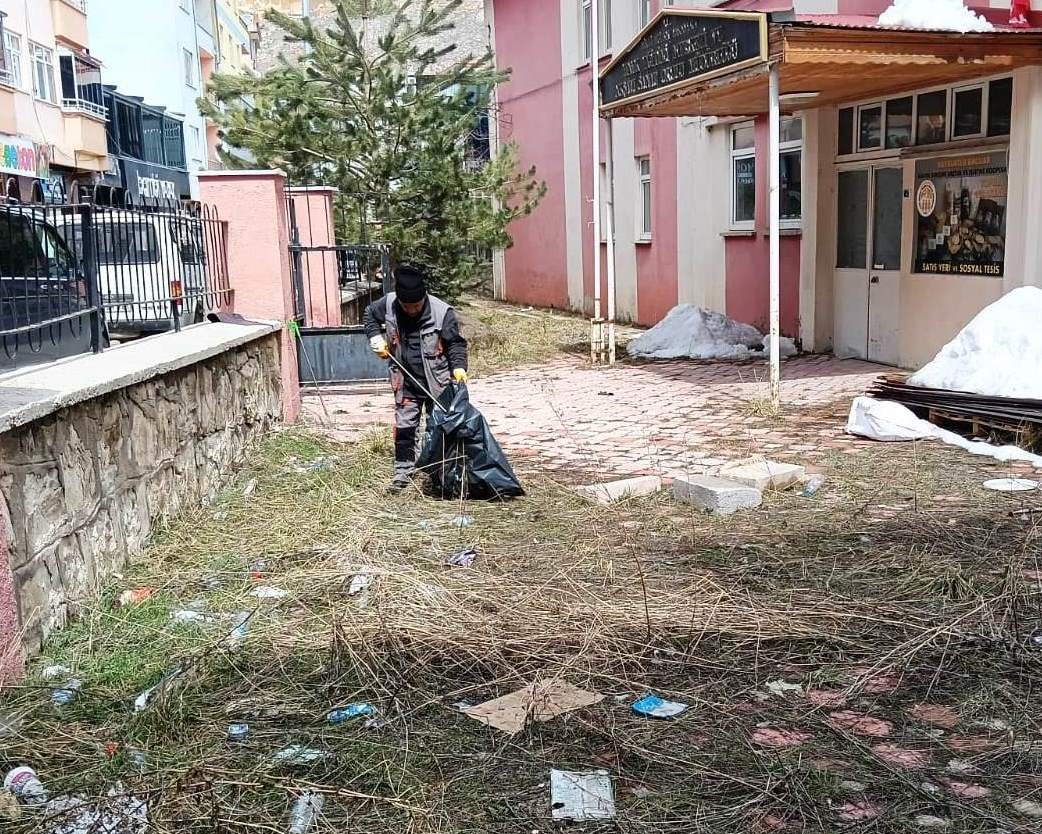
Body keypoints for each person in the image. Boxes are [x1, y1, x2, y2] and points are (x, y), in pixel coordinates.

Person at [363, 265, 469, 492]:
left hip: (437, 382)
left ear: (424, 297)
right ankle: (403, 473)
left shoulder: (442, 312)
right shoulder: (389, 304)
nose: (412, 310)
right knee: (405, 427)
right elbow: (369, 314)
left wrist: (459, 368)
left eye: (417, 306)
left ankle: (436, 473)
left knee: (436, 428)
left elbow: (455, 344)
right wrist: (375, 337)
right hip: (405, 379)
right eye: (407, 306)